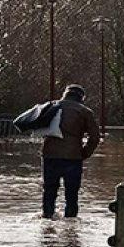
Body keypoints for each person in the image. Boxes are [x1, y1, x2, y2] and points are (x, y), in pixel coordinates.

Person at [42, 84, 100, 219]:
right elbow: (95, 137)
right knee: (72, 193)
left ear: (65, 94)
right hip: (73, 157)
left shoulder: (51, 106)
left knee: (49, 190)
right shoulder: (85, 112)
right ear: (82, 97)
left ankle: (47, 218)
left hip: (50, 155)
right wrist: (85, 153)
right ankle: (71, 224)